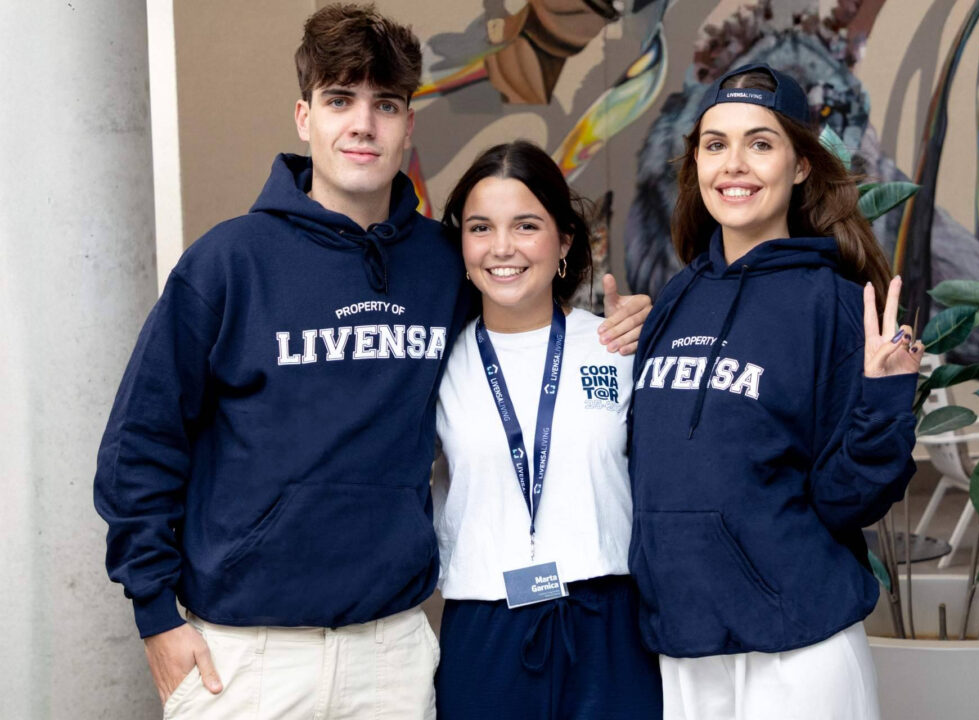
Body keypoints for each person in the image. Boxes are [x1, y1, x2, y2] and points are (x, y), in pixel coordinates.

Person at [93, 5, 648, 718]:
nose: (363, 124)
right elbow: (141, 443)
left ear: (408, 125)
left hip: (391, 656)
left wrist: (632, 325)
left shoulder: (443, 265)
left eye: (385, 104)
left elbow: (527, 319)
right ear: (304, 117)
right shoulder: (227, 265)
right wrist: (154, 613)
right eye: (339, 100)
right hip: (247, 656)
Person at [627, 63, 923, 720]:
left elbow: (849, 501)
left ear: (800, 166)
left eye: (760, 143)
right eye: (715, 144)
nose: (733, 164)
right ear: (696, 163)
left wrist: (884, 399)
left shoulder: (838, 306)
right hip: (685, 640)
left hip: (799, 642)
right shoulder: (675, 299)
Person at [431, 141, 663, 719]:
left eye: (526, 225)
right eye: (481, 228)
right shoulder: (436, 362)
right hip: (486, 627)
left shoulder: (618, 345)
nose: (502, 247)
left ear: (563, 242)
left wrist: (664, 327)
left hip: (610, 623)